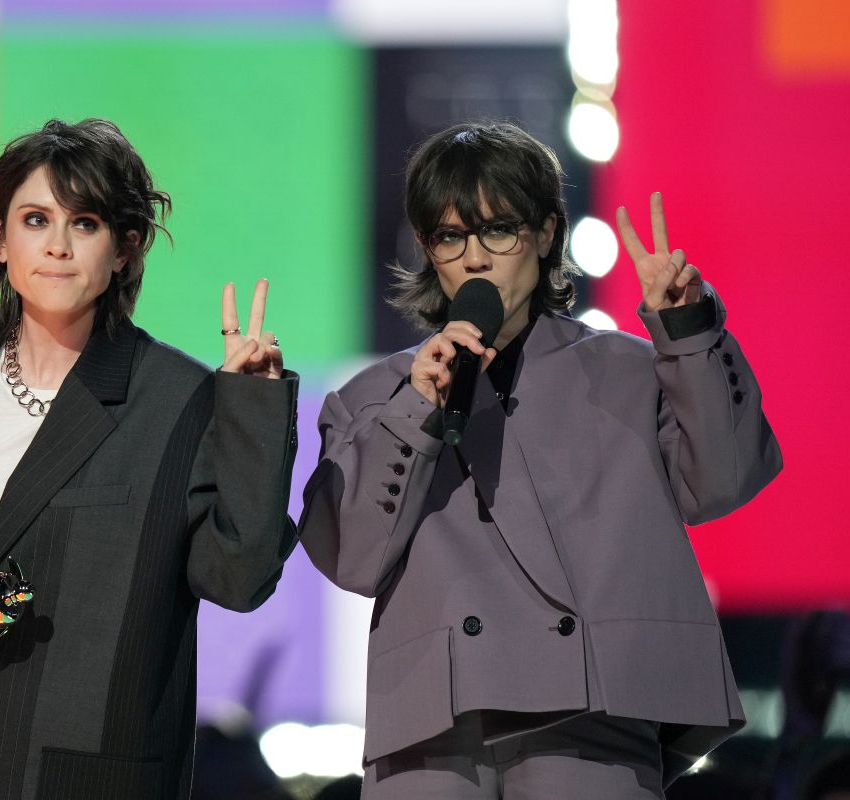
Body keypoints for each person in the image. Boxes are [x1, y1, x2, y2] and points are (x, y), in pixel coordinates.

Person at [298, 122, 782, 798]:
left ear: (547, 234)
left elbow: (724, 481)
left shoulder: (629, 372)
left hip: (593, 711)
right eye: (450, 236)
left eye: (498, 230)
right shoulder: (375, 397)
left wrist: (690, 332)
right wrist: (418, 410)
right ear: (427, 251)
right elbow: (351, 558)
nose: (474, 258)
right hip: (434, 729)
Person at [0, 118, 299, 800]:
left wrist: (253, 410)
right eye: (35, 219)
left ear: (125, 248)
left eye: (85, 224)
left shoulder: (178, 398)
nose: (56, 247)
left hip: (84, 775)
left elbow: (239, 578)